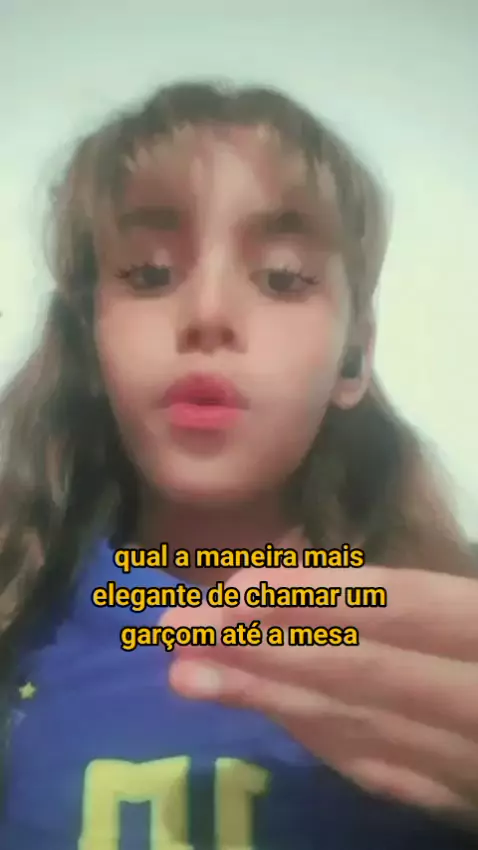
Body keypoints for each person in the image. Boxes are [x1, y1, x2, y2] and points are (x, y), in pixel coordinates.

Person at [0, 81, 476, 850]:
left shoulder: (454, 646)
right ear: (91, 341)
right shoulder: (16, 619)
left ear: (354, 356)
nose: (209, 313)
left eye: (283, 278)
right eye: (149, 274)